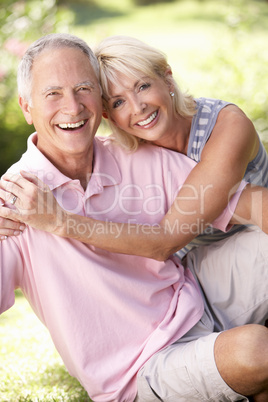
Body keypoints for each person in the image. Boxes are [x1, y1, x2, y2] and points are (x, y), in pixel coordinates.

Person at [0, 33, 268, 402]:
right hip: (139, 369)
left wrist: (62, 221)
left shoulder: (133, 155)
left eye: (83, 89)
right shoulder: (16, 201)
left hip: (196, 302)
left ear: (99, 99)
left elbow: (254, 205)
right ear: (27, 107)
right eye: (53, 94)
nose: (73, 107)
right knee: (257, 352)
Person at [1, 35, 267, 262]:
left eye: (143, 86)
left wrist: (60, 221)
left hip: (250, 247)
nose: (137, 107)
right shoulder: (130, 152)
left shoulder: (226, 125)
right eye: (118, 102)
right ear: (107, 114)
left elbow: (167, 240)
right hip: (194, 272)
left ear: (167, 78)